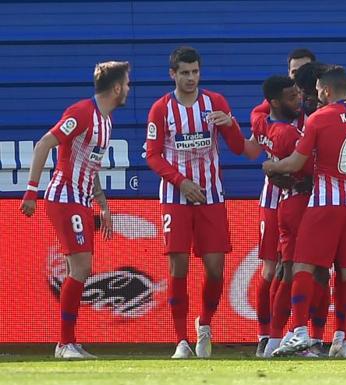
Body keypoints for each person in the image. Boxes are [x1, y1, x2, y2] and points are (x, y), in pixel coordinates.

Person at [265, 65, 346, 358]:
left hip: (325, 202)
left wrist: (272, 166)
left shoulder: (319, 118)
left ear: (327, 90)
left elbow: (294, 163)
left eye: (318, 90)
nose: (316, 95)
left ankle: (299, 331)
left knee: (303, 266)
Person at [19, 61, 131, 359]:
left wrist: (102, 204)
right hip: (64, 197)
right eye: (127, 84)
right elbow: (44, 144)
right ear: (117, 87)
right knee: (80, 267)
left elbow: (90, 165)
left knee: (78, 269)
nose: (129, 90)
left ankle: (68, 342)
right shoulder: (82, 112)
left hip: (80, 200)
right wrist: (31, 190)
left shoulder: (105, 122)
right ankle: (64, 343)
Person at [145, 46, 246, 359]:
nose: (190, 78)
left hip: (211, 197)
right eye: (184, 73)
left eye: (195, 72)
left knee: (215, 269)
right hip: (176, 198)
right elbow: (152, 155)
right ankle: (181, 340)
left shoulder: (215, 102)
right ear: (172, 74)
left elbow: (239, 148)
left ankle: (205, 324)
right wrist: (181, 182)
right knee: (179, 267)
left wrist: (229, 123)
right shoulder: (161, 109)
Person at [245, 49, 320, 358]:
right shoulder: (276, 112)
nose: (298, 84)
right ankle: (268, 335)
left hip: (304, 195)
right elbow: (257, 126)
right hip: (279, 196)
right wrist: (276, 167)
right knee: (274, 270)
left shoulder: (312, 109)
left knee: (308, 270)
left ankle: (301, 334)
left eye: (304, 74)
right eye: (294, 74)